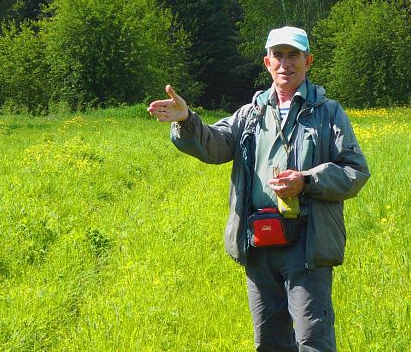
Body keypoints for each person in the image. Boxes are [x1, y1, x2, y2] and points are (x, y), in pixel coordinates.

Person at [147, 26, 370, 351]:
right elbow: (216, 146)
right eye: (278, 55)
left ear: (308, 61)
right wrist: (187, 120)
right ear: (267, 63)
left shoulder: (328, 113)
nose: (285, 63)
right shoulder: (249, 115)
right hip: (259, 242)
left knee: (313, 340)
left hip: (307, 246)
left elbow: (355, 170)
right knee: (268, 342)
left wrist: (307, 180)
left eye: (293, 55)